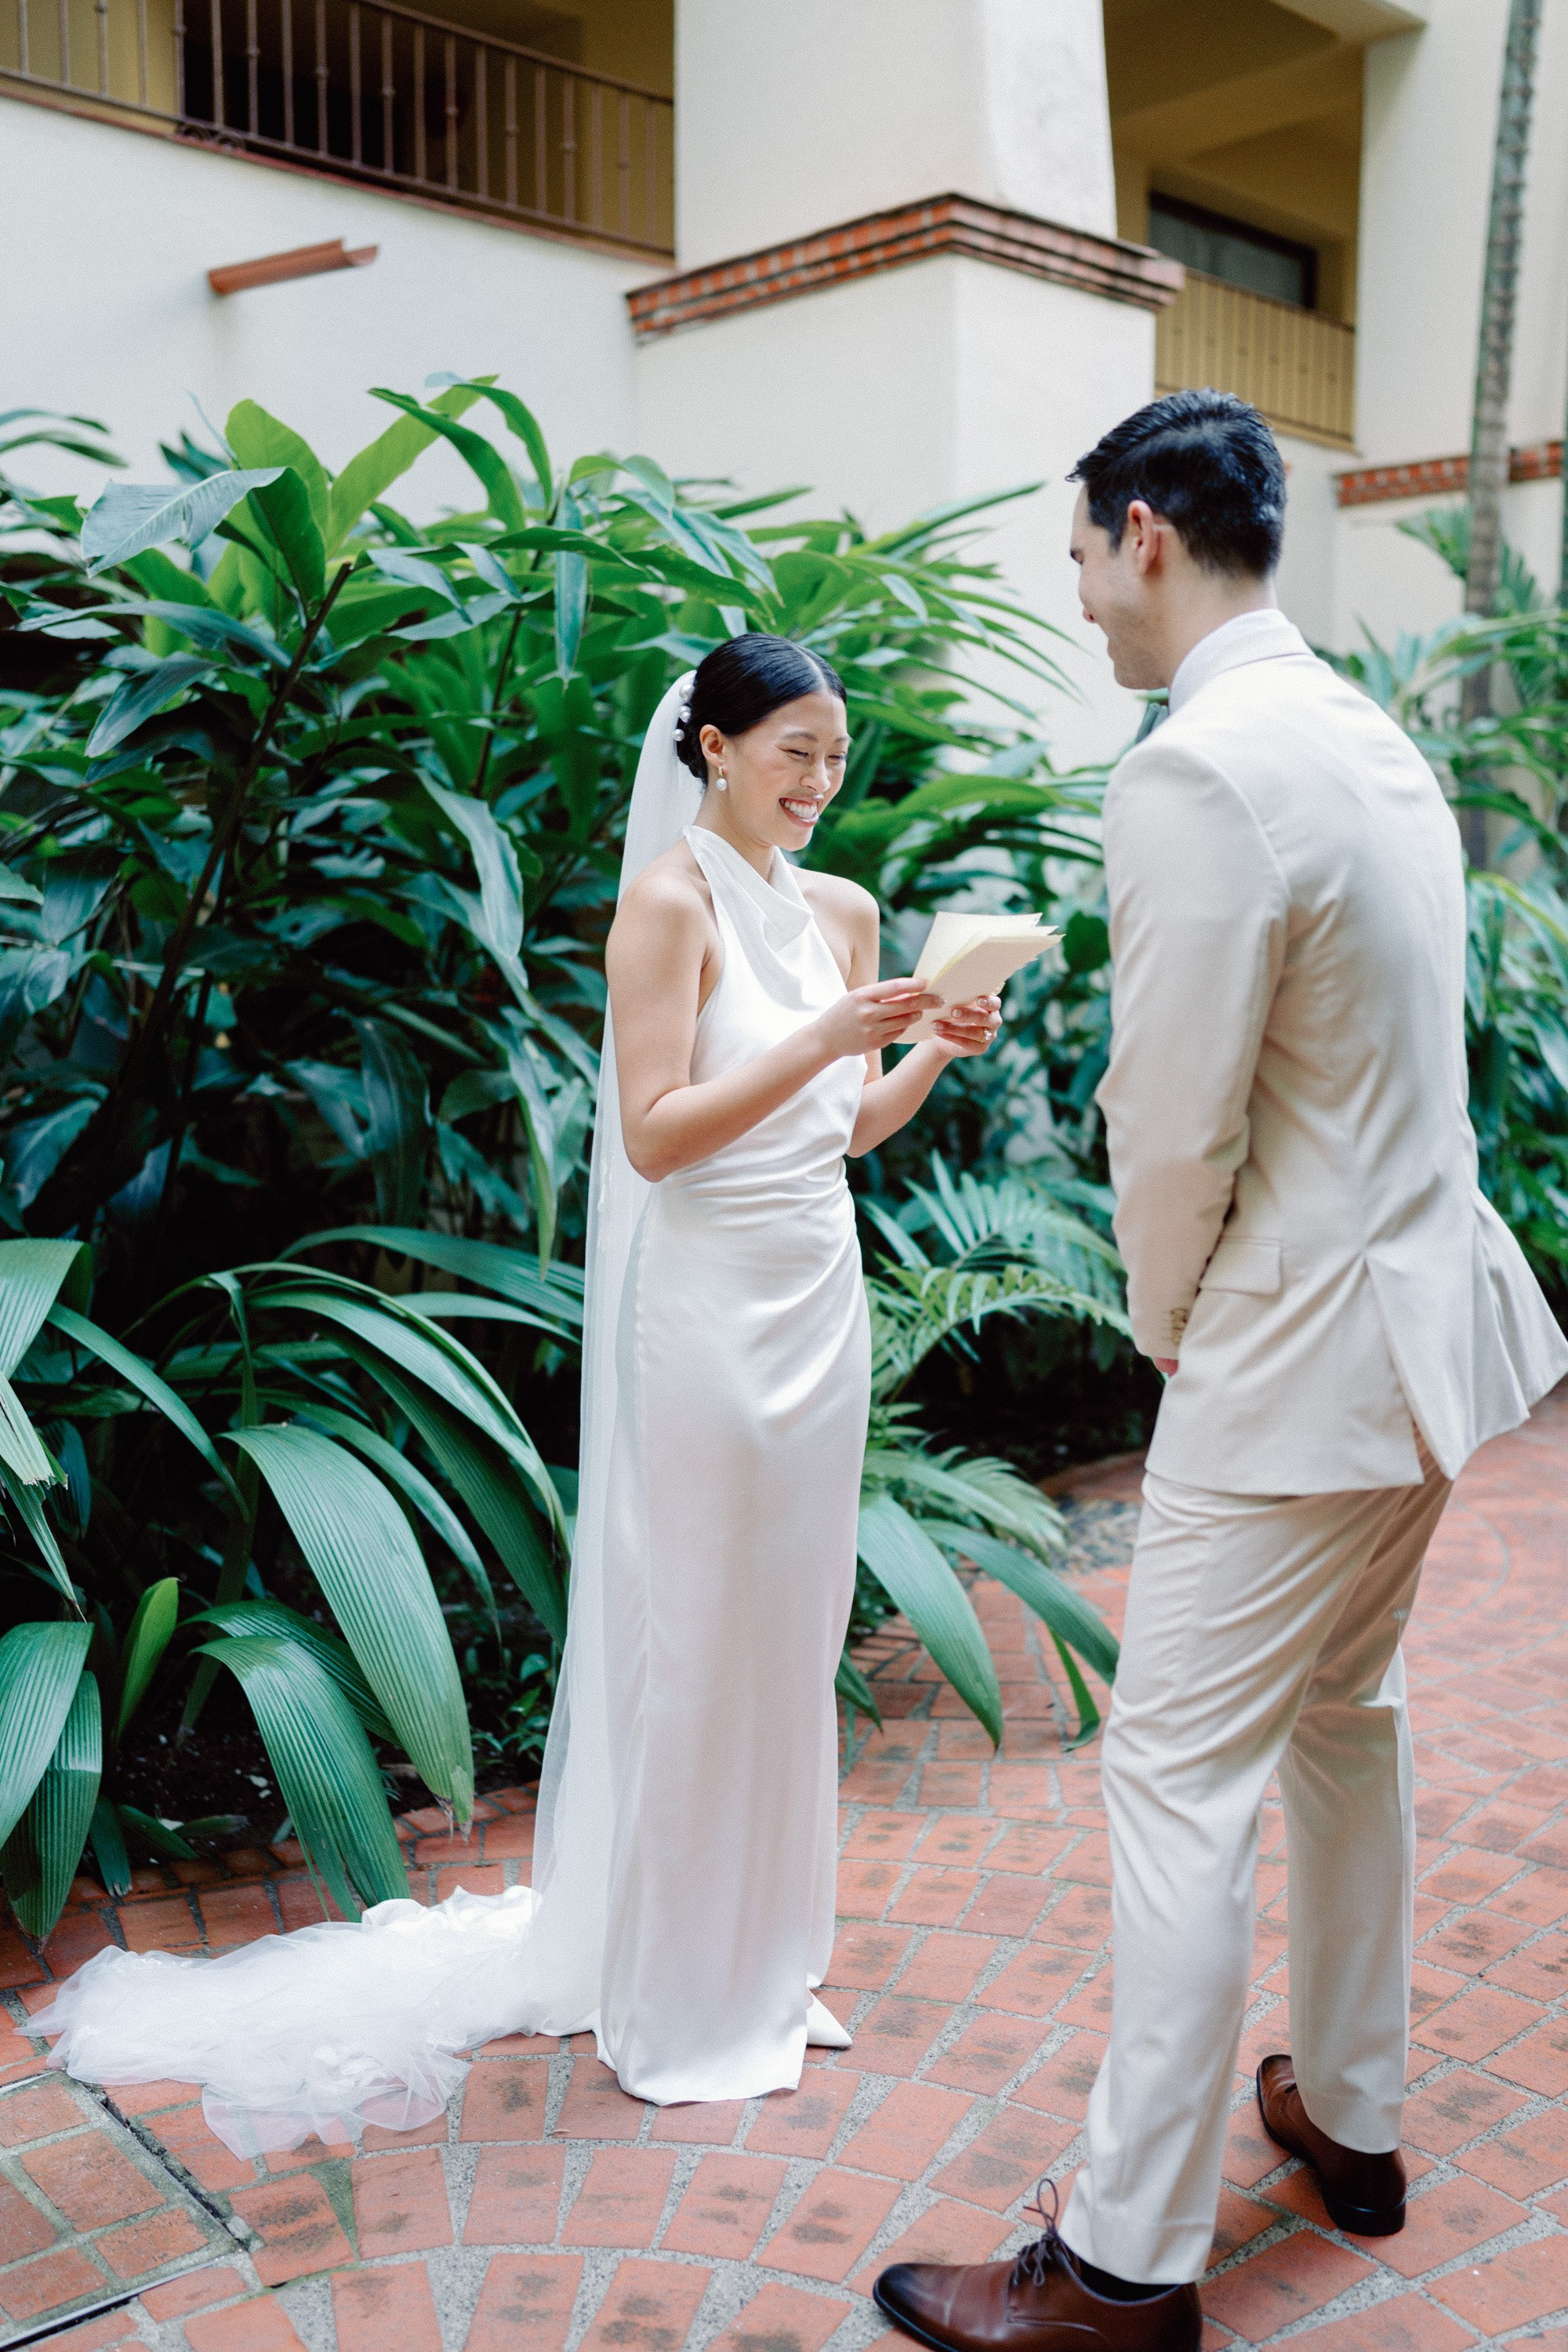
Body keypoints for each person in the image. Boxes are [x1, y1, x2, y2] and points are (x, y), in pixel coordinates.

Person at [34, 634, 1002, 2149]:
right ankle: (679, 1993)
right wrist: (825, 1030)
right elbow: (663, 1133)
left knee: (789, 1629)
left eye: (834, 752)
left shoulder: (842, 909)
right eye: (793, 750)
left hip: (819, 1300)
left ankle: (762, 1960)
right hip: (707, 1312)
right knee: (696, 1628)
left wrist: (927, 1048)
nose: (822, 780)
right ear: (714, 750)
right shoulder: (667, 903)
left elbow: (847, 1132)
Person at [873, 389, 1568, 2352]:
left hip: (1292, 1361)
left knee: (1176, 1783)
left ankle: (1118, 2266)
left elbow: (1170, 1127)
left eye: (1083, 552)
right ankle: (1350, 2118)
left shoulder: (1193, 773)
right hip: (1428, 1339)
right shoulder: (1365, 734)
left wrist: (1166, 1317)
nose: (1083, 596)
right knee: (1350, 1725)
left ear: (1150, 532)